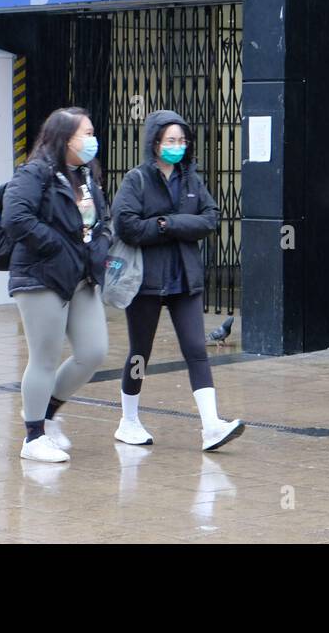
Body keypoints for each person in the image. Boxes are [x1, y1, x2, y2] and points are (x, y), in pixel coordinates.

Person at [112, 109, 245, 451]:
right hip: (146, 281)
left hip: (185, 279)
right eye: (170, 140)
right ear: (155, 142)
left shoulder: (191, 180)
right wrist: (167, 226)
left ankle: (211, 426)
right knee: (140, 353)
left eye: (182, 140)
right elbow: (127, 225)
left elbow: (211, 218)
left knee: (197, 349)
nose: (177, 146)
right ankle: (128, 421)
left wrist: (166, 224)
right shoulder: (136, 180)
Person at [3, 107, 112, 463]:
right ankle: (33, 437)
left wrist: (100, 244)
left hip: (81, 277)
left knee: (93, 352)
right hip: (41, 277)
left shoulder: (85, 176)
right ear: (63, 138)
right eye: (85, 133)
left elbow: (102, 218)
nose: (92, 140)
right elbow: (16, 217)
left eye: (92, 132)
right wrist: (57, 247)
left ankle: (47, 414)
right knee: (45, 358)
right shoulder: (35, 173)